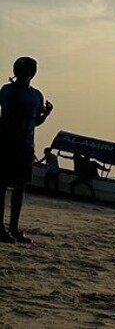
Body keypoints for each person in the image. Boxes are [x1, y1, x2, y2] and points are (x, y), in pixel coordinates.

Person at [0, 56, 53, 244]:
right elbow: (6, 117)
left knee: (19, 188)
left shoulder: (36, 96)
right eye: (19, 72)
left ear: (32, 74)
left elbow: (34, 121)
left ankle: (14, 228)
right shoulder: (7, 91)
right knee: (3, 186)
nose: (22, 75)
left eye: (26, 72)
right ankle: (1, 229)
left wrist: (45, 114)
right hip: (7, 144)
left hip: (26, 146)